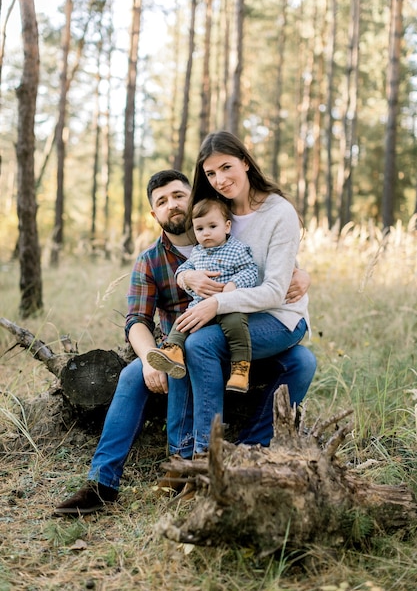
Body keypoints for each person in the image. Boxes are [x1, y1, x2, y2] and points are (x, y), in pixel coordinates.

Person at [54, 168, 315, 516]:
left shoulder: (230, 228)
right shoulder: (150, 261)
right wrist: (148, 358)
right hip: (178, 349)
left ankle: (249, 450)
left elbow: (274, 262)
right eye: (162, 202)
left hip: (238, 338)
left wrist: (302, 273)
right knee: (134, 374)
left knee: (303, 362)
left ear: (193, 197)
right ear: (154, 214)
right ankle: (102, 482)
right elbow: (136, 321)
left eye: (179, 195)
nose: (172, 205)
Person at [169, 130, 311, 456]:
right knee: (183, 344)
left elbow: (276, 289)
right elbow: (194, 263)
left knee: (201, 343)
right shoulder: (216, 212)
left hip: (279, 315)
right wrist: (188, 277)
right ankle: (186, 453)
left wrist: (217, 303)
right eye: (210, 173)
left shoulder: (279, 212)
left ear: (245, 163)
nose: (220, 179)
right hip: (238, 312)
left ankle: (208, 457)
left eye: (226, 167)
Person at [146, 197, 258, 393]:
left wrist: (234, 284)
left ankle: (240, 369)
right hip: (200, 307)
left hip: (229, 304)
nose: (206, 233)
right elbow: (182, 271)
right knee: (183, 322)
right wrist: (187, 276)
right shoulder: (197, 252)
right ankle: (173, 351)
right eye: (199, 229)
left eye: (212, 226)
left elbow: (251, 270)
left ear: (227, 226)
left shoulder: (237, 249)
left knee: (237, 327)